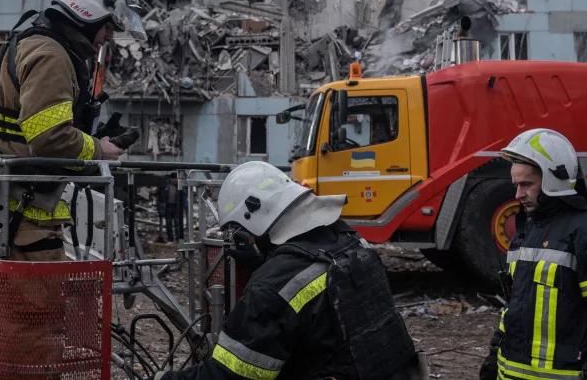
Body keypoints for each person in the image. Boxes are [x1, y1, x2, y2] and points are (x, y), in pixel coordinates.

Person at [161, 161, 425, 380]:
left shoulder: (273, 288)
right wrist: (259, 264)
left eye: (241, 232)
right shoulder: (351, 243)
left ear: (255, 220)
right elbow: (315, 306)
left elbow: (228, 376)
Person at [0, 0, 146, 260]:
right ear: (88, 17)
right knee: (43, 305)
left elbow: (40, 127)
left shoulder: (42, 45)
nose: (110, 36)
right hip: (22, 216)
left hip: (17, 207)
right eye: (108, 27)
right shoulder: (52, 56)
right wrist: (99, 149)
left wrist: (90, 138)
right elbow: (49, 138)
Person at [480, 129, 587, 380]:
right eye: (516, 185)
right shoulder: (526, 230)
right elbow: (514, 306)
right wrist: (493, 357)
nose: (518, 195)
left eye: (527, 184)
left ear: (553, 180)